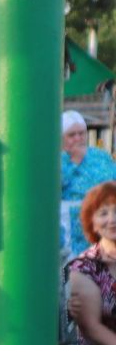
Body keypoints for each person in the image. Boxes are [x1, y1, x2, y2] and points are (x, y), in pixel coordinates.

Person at [67, 180, 116, 345]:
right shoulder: (84, 267)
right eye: (104, 213)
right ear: (93, 222)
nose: (112, 219)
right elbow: (93, 330)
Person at [61, 110, 116, 258]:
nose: (78, 138)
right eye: (72, 135)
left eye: (82, 133)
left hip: (104, 219)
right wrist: (73, 161)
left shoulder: (100, 156)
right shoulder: (55, 159)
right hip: (69, 225)